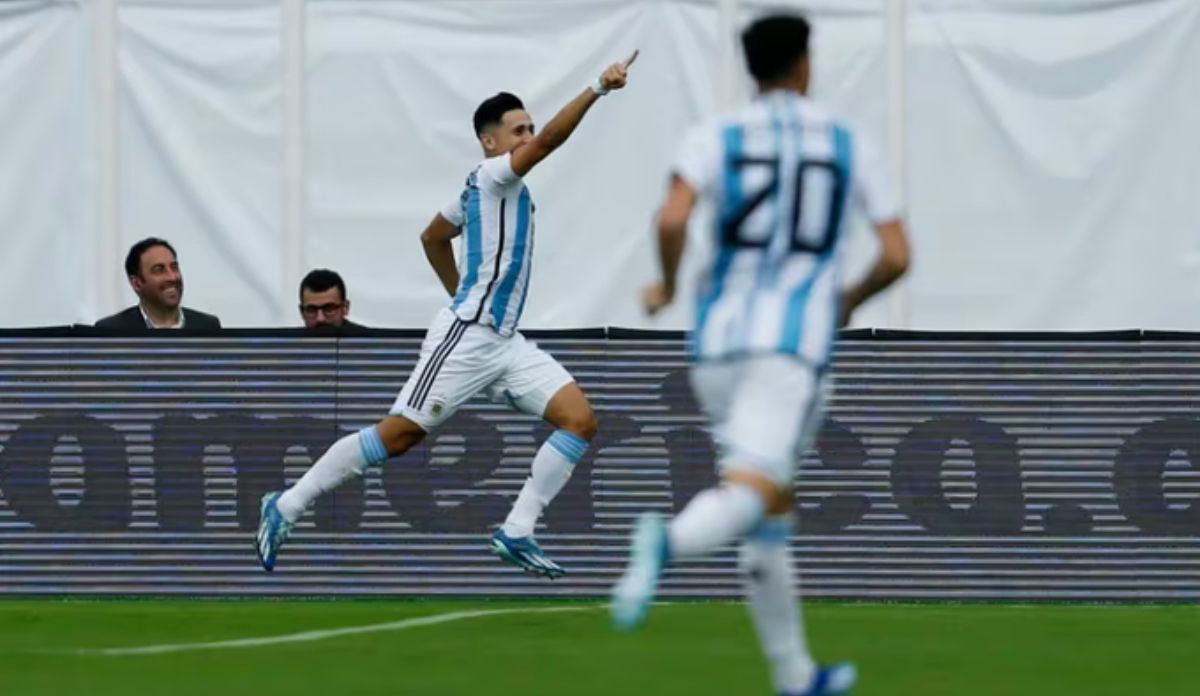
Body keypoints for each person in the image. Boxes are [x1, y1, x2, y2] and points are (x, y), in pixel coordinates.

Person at [610, 14, 910, 696]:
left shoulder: (714, 135)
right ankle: (667, 541)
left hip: (716, 344)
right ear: (805, 64)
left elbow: (673, 218)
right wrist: (850, 298)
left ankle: (795, 674)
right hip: (790, 345)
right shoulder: (846, 142)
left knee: (772, 505)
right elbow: (896, 254)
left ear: (750, 69)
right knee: (751, 490)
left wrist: (665, 284)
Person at [256, 51, 639, 578]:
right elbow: (551, 143)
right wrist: (597, 86)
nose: (529, 137)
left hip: (505, 342)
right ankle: (287, 504)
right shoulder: (494, 175)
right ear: (490, 142)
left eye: (530, 127)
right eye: (518, 130)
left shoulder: (490, 189)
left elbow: (433, 237)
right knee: (399, 436)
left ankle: (517, 530)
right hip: (467, 337)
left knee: (580, 420)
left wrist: (461, 288)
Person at [95, 237, 221, 329]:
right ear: (136, 283)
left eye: (174, 267)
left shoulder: (208, 326)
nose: (172, 277)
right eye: (159, 270)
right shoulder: (111, 330)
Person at [298, 268, 365, 330]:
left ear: (345, 308)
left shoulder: (366, 338)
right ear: (301, 312)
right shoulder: (293, 338)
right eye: (311, 310)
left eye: (329, 309)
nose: (320, 319)